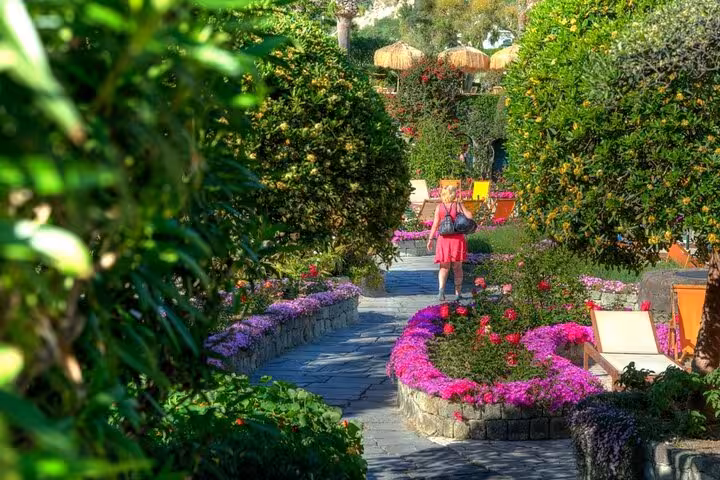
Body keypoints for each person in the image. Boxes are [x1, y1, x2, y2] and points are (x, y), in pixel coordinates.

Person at [426, 185, 472, 301]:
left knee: (444, 267)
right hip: (457, 239)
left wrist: (430, 239)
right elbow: (470, 217)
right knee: (457, 267)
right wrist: (462, 206)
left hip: (444, 240)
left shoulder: (439, 207)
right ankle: (458, 293)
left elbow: (435, 225)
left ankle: (441, 291)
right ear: (453, 194)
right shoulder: (457, 206)